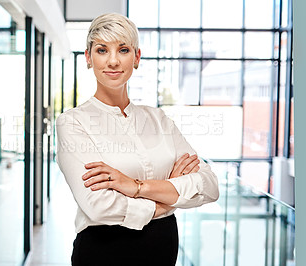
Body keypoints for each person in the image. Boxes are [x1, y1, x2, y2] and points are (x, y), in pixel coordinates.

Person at [56, 13, 219, 266]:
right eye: (102, 50)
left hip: (162, 251)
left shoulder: (158, 119)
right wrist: (167, 199)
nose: (112, 61)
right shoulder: (73, 122)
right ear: (88, 57)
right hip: (103, 252)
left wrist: (135, 186)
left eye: (123, 49)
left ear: (137, 57)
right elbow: (97, 205)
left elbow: (208, 185)